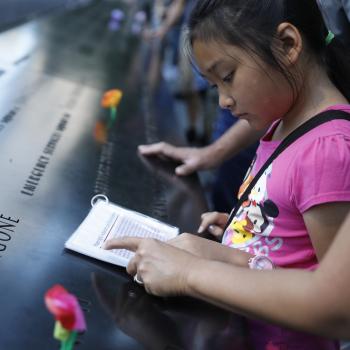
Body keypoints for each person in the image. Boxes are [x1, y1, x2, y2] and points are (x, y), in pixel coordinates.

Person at [105, 0, 350, 348]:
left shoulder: (328, 150)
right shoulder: (282, 123)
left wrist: (192, 272)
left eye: (228, 77)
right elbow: (296, 249)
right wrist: (253, 235)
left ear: (288, 45)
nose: (223, 101)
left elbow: (335, 304)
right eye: (215, 85)